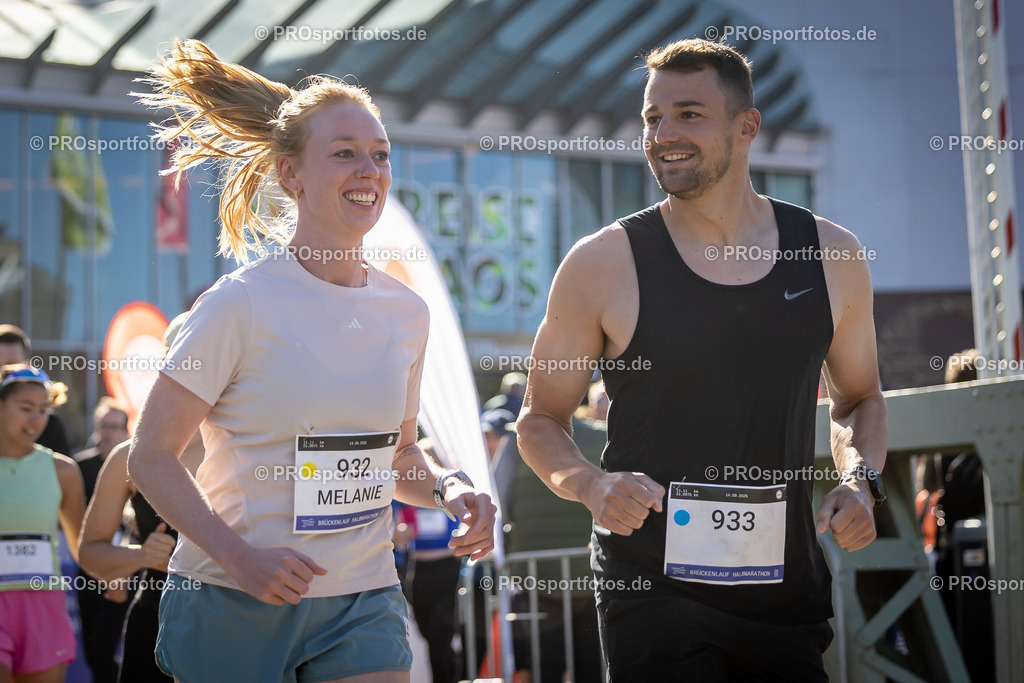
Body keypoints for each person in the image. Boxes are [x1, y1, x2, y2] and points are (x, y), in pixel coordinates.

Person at [517, 38, 888, 682]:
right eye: (652, 118)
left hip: (784, 594)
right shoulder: (601, 263)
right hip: (654, 593)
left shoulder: (831, 256)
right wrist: (593, 485)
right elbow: (539, 420)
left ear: (747, 128)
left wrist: (862, 480)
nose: (664, 134)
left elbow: (860, 400)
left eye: (689, 113)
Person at [127, 39, 495, 683]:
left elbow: (398, 459)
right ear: (290, 174)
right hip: (231, 597)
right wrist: (240, 558)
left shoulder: (407, 313)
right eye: (345, 154)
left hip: (362, 599)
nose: (370, 171)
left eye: (380, 155)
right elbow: (150, 456)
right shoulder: (238, 304)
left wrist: (450, 488)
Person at [78, 314, 203, 683]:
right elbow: (90, 554)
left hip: (240, 623)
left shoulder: (248, 453)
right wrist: (142, 555)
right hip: (155, 623)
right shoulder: (128, 457)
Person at [0, 364, 85, 683]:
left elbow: (83, 547)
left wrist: (123, 567)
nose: (36, 419)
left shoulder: (63, 471)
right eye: (25, 408)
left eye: (43, 410)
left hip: (44, 607)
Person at [72, 396, 131, 683]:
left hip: (127, 568)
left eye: (115, 426)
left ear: (127, 431)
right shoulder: (79, 467)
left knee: (116, 645)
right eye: (103, 425)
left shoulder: (138, 466)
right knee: (93, 650)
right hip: (88, 567)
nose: (107, 432)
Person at [0, 325, 73, 457]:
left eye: (12, 366)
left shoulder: (51, 426)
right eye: (25, 408)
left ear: (27, 366)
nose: (2, 372)